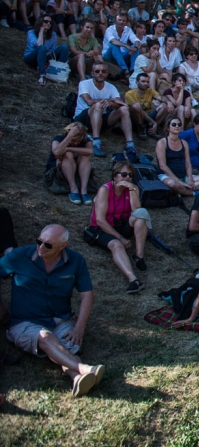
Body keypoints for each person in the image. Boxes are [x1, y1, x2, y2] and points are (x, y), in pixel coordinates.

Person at [0, 224, 105, 397]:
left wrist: (79, 327)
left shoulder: (76, 260)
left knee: (67, 346)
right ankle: (84, 368)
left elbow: (87, 295)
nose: (41, 247)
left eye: (48, 245)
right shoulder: (19, 257)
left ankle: (76, 378)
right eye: (39, 241)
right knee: (46, 338)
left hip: (59, 320)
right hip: (24, 322)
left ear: (63, 246)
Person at [84, 161, 149, 293]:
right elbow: (100, 220)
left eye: (130, 175)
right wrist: (121, 238)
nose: (127, 178)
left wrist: (131, 189)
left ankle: (139, 256)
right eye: (123, 174)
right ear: (115, 176)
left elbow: (137, 211)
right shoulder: (105, 190)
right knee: (116, 245)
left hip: (121, 224)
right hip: (102, 228)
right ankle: (133, 280)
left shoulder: (132, 188)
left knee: (142, 214)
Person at [75, 63, 135, 158]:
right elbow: (89, 102)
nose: (100, 73)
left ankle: (130, 144)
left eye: (103, 71)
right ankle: (96, 141)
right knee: (98, 105)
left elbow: (119, 103)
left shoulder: (111, 87)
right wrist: (110, 100)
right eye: (97, 71)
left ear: (107, 73)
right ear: (92, 73)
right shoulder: (84, 84)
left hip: (101, 119)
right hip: (83, 118)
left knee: (124, 109)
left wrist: (112, 103)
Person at [47, 122, 94, 205]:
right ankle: (73, 189)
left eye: (78, 141)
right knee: (68, 155)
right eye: (73, 140)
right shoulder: (59, 138)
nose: (76, 143)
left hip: (77, 170)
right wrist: (69, 137)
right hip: (59, 172)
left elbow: (90, 151)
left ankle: (84, 191)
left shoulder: (85, 140)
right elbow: (56, 152)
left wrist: (69, 148)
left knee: (85, 156)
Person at [24, 14, 69, 85]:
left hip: (45, 56)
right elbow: (39, 44)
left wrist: (48, 52)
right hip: (31, 57)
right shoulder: (31, 32)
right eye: (46, 21)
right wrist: (41, 32)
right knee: (42, 47)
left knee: (64, 47)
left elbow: (54, 48)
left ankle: (62, 71)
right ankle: (42, 75)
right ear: (40, 22)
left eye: (50, 22)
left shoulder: (53, 34)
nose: (48, 24)